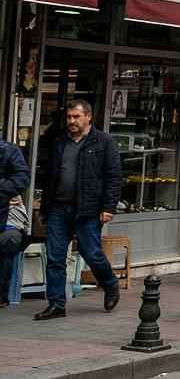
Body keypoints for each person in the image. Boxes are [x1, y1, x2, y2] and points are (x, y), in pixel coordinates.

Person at [35, 99, 121, 320]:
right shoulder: (60, 142)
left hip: (88, 209)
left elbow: (113, 177)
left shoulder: (104, 142)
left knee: (91, 253)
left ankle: (110, 283)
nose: (71, 121)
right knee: (55, 257)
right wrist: (45, 208)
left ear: (88, 117)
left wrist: (108, 207)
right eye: (69, 117)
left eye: (76, 117)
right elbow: (50, 177)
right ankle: (56, 304)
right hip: (58, 208)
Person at [0, 129, 29, 306]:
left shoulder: (8, 150)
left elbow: (22, 178)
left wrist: (3, 189)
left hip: (5, 217)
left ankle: (2, 294)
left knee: (9, 239)